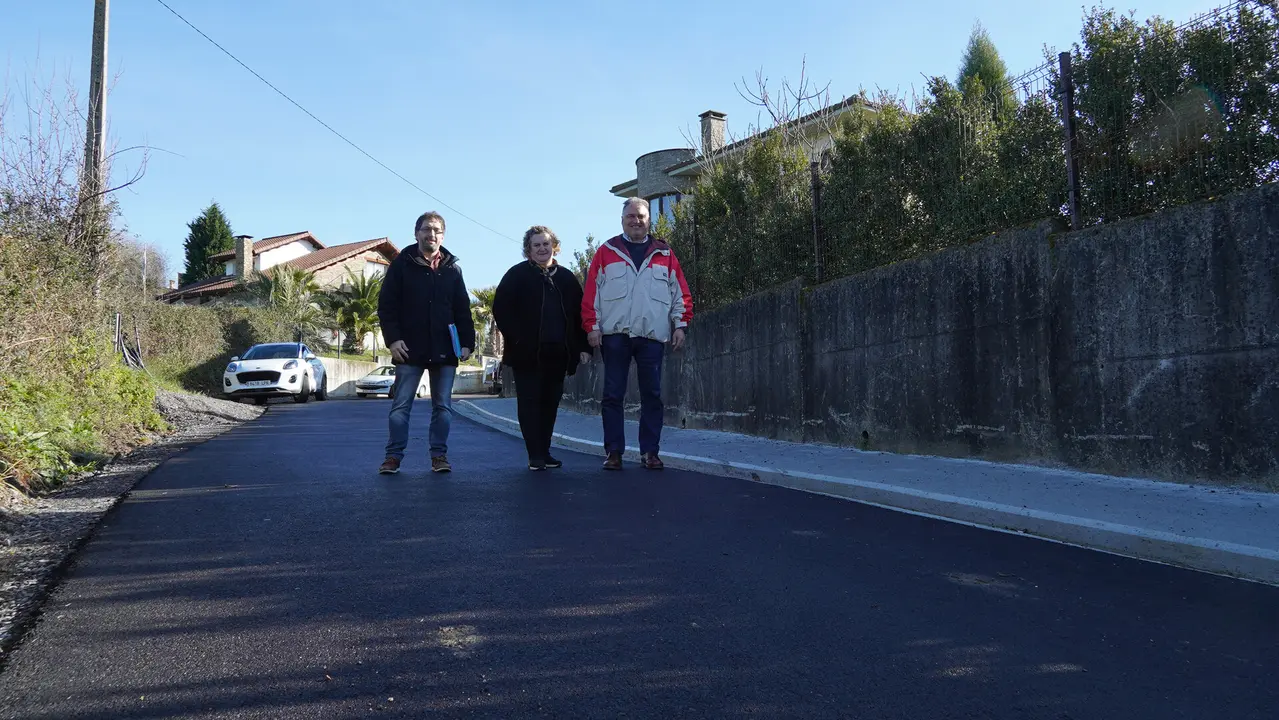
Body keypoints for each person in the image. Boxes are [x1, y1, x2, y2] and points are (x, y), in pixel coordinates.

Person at [581, 197, 693, 470]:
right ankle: (614, 453)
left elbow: (680, 293)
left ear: (648, 220)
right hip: (615, 335)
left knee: (652, 395)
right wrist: (592, 327)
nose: (636, 221)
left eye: (641, 216)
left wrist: (680, 325)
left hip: (652, 336)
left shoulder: (665, 254)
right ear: (622, 220)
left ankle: (650, 452)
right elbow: (591, 294)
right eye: (630, 216)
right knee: (612, 395)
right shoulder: (606, 252)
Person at [376, 210, 476, 475]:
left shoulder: (453, 269)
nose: (431, 234)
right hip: (409, 348)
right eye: (426, 229)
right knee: (401, 405)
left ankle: (439, 457)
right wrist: (393, 340)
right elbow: (387, 306)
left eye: (436, 230)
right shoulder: (401, 264)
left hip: (444, 348)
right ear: (416, 233)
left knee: (442, 406)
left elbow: (462, 309)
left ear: (442, 236)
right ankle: (393, 457)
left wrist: (467, 342)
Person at [493, 226, 591, 470]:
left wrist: (582, 347)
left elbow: (580, 315)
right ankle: (534, 454)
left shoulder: (567, 278)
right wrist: (517, 339)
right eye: (536, 245)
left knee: (550, 403)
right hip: (526, 354)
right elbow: (501, 310)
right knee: (529, 404)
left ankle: (545, 451)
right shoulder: (516, 275)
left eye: (546, 244)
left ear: (554, 246)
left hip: (558, 354)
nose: (542, 249)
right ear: (528, 249)